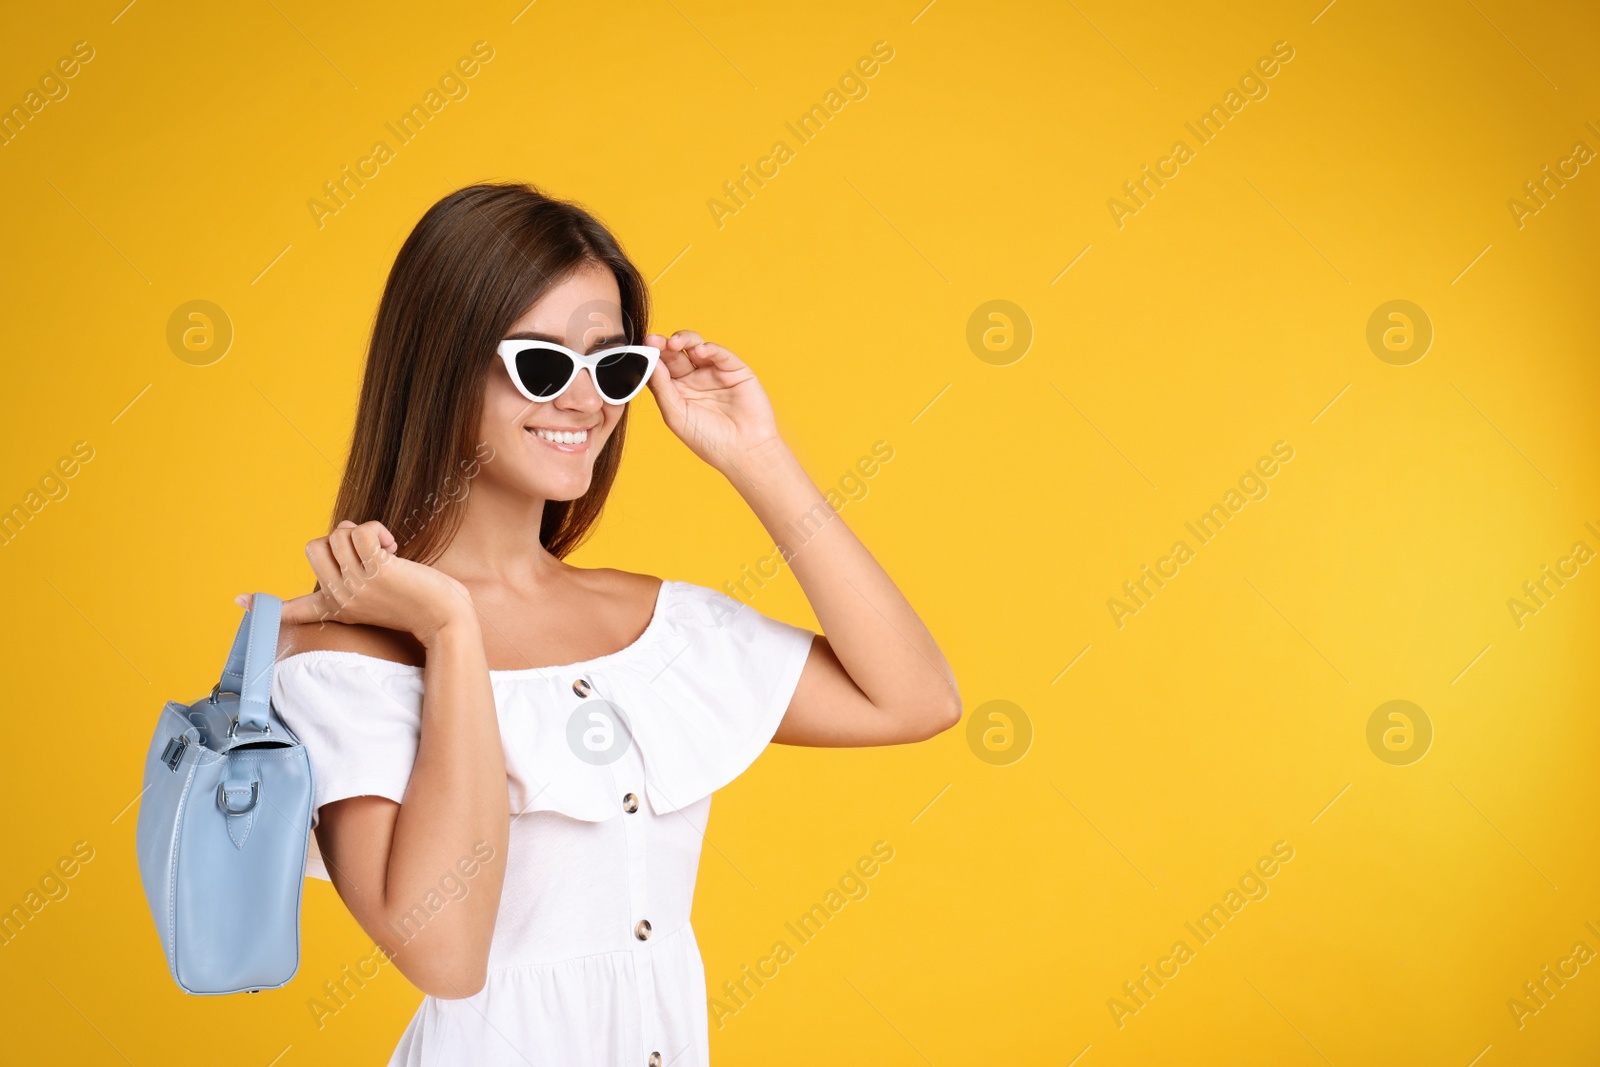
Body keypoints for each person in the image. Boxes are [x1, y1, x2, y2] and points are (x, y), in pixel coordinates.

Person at [255, 181, 961, 1066]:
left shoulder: (658, 628)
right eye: (542, 366)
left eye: (611, 364)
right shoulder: (344, 659)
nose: (587, 401)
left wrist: (757, 456)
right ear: (441, 367)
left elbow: (917, 699)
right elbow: (445, 954)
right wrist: (450, 631)